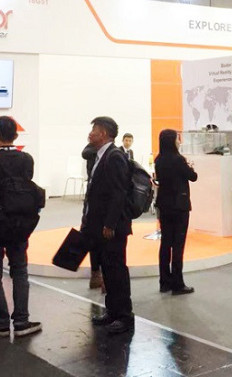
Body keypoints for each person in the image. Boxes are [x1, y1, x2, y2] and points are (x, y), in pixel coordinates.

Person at [0, 116, 42, 338]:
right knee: (19, 270)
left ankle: (1, 323)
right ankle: (22, 321)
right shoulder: (26, 159)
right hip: (20, 222)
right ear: (16, 135)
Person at [82, 116, 134, 335]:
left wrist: (110, 224)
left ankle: (124, 316)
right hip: (100, 226)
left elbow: (118, 193)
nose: (90, 134)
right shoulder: (101, 156)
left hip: (112, 228)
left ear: (103, 133)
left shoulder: (114, 157)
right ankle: (112, 311)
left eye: (94, 130)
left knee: (117, 270)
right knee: (109, 270)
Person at [154, 129, 197, 295]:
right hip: (179, 206)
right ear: (172, 141)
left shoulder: (159, 160)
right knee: (178, 245)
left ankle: (164, 282)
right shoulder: (179, 160)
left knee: (165, 244)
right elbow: (193, 176)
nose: (179, 142)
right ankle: (178, 283)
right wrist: (190, 167)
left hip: (164, 205)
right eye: (177, 139)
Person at [81, 143, 104, 292]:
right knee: (95, 241)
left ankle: (99, 275)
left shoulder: (110, 153)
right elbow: (85, 153)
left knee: (99, 242)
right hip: (94, 202)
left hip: (97, 202)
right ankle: (96, 274)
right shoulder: (93, 150)